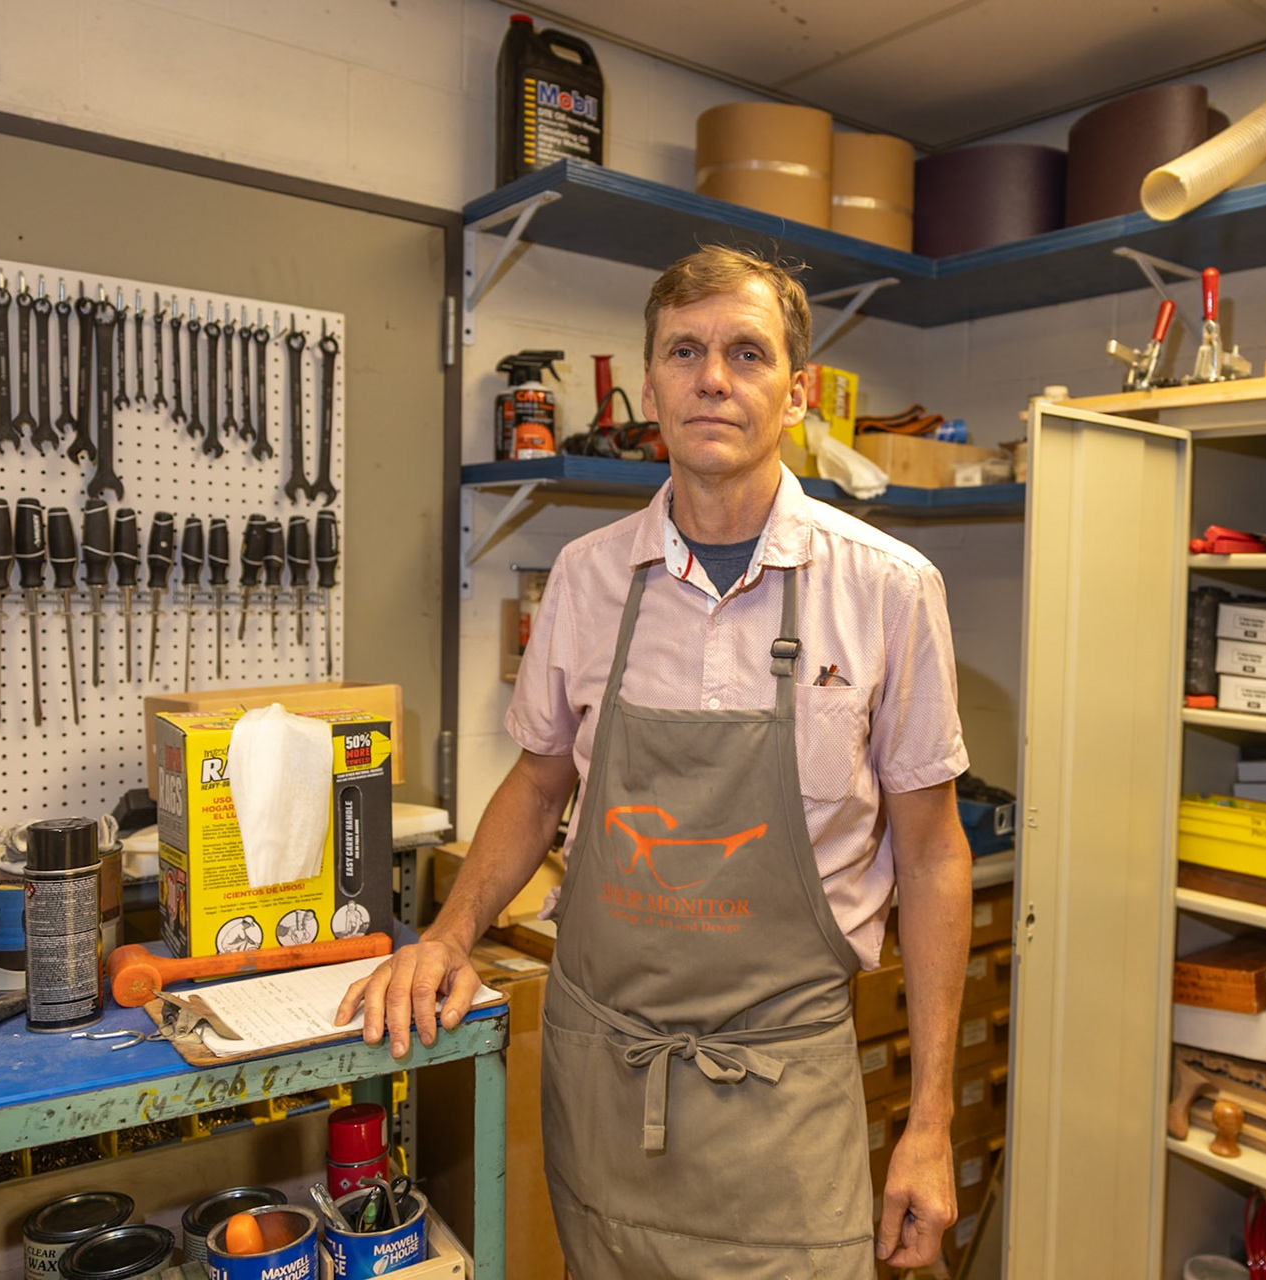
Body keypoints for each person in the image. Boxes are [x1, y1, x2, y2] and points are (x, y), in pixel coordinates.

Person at [339, 245, 974, 1276]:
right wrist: (451, 934)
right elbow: (539, 779)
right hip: (605, 1087)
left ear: (795, 391)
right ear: (653, 380)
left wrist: (931, 1122)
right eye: (684, 350)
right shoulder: (588, 581)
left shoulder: (888, 590)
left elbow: (935, 855)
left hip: (782, 1102)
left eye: (746, 352)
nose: (713, 376)